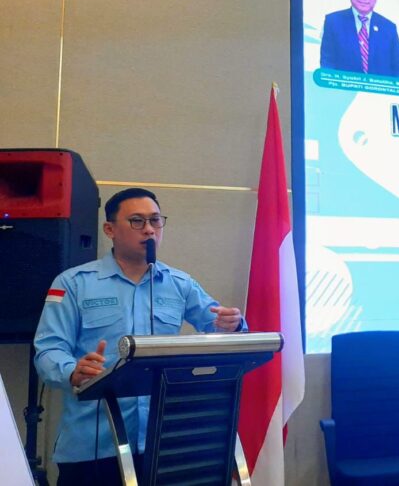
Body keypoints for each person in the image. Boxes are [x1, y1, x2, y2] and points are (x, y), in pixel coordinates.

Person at [33, 187, 245, 486]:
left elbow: (220, 328)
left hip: (164, 441)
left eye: (155, 220)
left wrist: (232, 325)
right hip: (94, 444)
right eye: (137, 221)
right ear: (110, 230)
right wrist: (71, 371)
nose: (149, 229)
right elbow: (48, 349)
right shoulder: (74, 283)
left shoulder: (180, 284)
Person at [319, 0, 399, 78]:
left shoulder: (389, 28)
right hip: (344, 88)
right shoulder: (333, 22)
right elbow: (327, 64)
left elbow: (398, 69)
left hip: (380, 89)